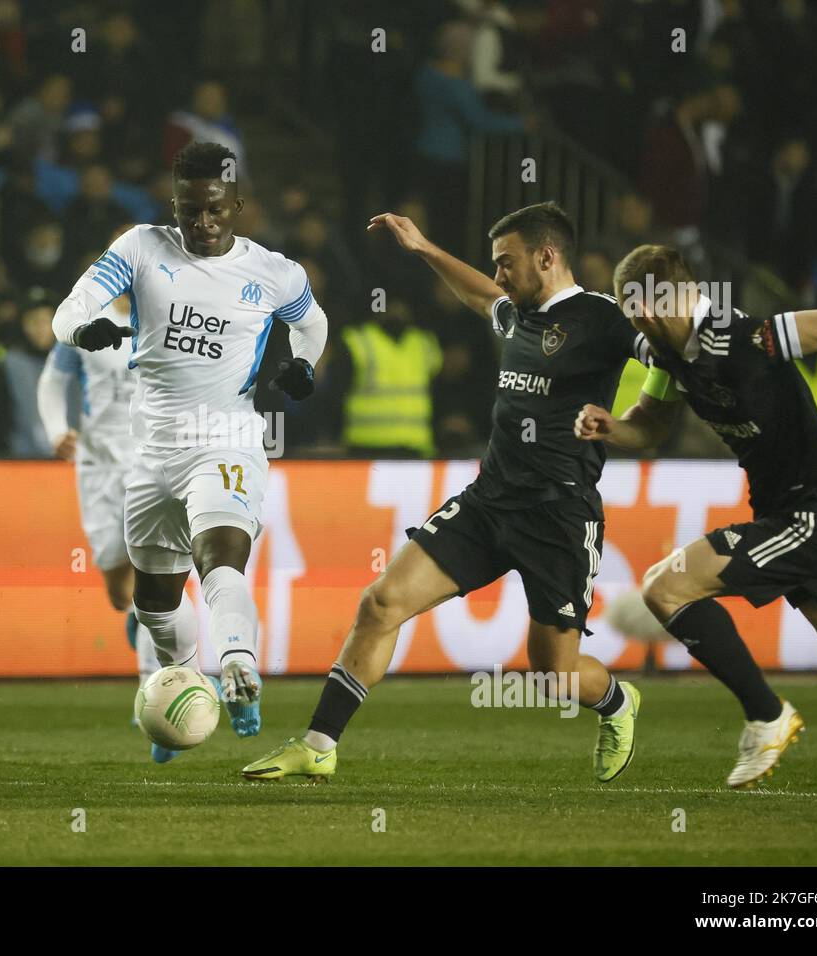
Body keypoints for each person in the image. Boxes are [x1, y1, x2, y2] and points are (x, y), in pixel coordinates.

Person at [243, 201, 649, 783]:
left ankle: (617, 703)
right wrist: (427, 249)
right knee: (380, 604)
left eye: (507, 263)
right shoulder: (518, 314)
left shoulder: (604, 319)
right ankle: (318, 743)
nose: (500, 275)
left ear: (547, 255)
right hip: (490, 501)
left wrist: (641, 420)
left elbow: (667, 356)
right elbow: (483, 296)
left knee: (553, 673)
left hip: (559, 513)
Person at [50, 141, 328, 741]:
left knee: (220, 556)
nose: (201, 223)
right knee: (153, 602)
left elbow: (313, 321)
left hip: (228, 439)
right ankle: (183, 681)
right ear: (173, 205)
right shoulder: (140, 247)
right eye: (188, 211)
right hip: (151, 451)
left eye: (214, 210)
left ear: (237, 204)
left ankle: (238, 669)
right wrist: (87, 326)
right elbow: (65, 312)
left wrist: (303, 363)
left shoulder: (274, 272)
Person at [575, 243, 817, 787]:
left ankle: (767, 716)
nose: (636, 318)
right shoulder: (667, 353)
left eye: (636, 306)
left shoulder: (741, 339)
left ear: (655, 303)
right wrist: (610, 426)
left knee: (665, 588)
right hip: (791, 511)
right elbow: (651, 424)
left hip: (809, 512)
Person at [37, 288, 168, 756]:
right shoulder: (85, 321)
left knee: (153, 566)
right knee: (119, 586)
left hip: (153, 461)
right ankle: (137, 618)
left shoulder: (174, 314)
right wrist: (56, 431)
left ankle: (152, 688)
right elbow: (52, 382)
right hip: (97, 466)